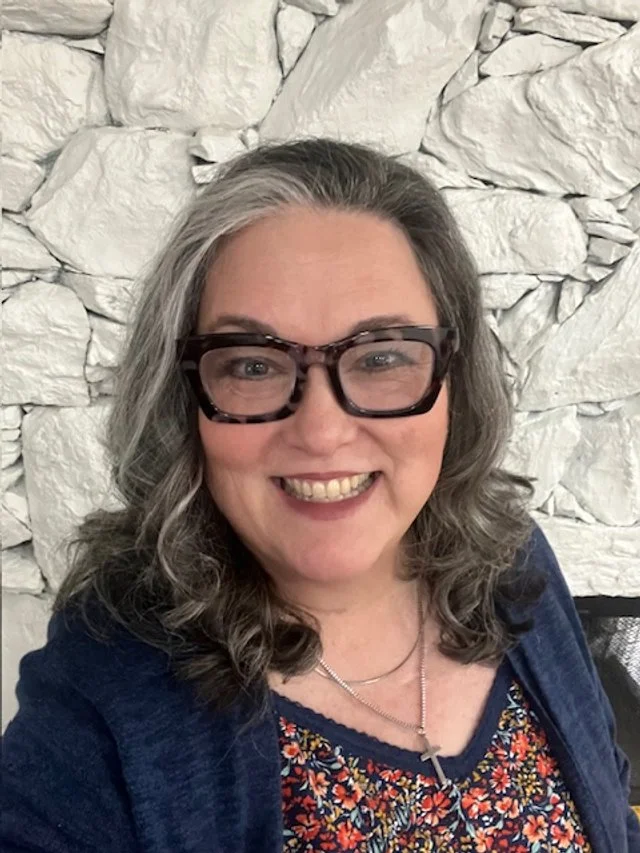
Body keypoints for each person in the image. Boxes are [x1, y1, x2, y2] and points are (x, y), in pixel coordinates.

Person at [3, 138, 638, 853]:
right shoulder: (107, 678)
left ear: (454, 383)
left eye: (382, 357)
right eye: (252, 364)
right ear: (185, 400)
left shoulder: (512, 563)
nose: (323, 431)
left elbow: (607, 801)